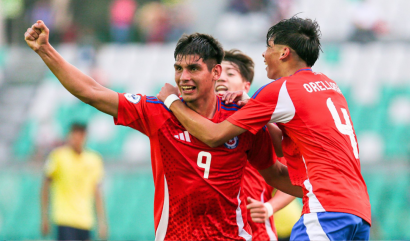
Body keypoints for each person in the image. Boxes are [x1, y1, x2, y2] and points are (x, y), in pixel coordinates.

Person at [25, 20, 298, 240]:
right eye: (178, 68)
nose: (183, 77)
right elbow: (92, 91)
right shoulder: (158, 111)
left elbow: (275, 173)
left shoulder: (240, 121)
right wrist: (46, 50)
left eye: (193, 68)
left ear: (215, 73)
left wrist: (323, 190)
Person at [157, 16, 372, 240]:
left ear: (284, 53)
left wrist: (172, 101)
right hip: (359, 210)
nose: (263, 54)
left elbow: (214, 135)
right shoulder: (329, 86)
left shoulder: (279, 90)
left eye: (269, 47)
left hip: (326, 208)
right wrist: (253, 105)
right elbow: (286, 143)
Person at [216, 49, 296, 241]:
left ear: (246, 85)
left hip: (256, 232)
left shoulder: (263, 129)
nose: (221, 78)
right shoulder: (198, 125)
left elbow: (295, 177)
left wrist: (270, 207)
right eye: (217, 73)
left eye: (230, 73)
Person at [40, 123, 107, 240]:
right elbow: (45, 186)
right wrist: (44, 217)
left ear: (85, 137)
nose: (77, 139)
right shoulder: (58, 156)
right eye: (74, 135)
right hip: (64, 219)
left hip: (86, 220)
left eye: (80, 135)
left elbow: (97, 193)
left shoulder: (94, 160)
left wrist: (102, 222)